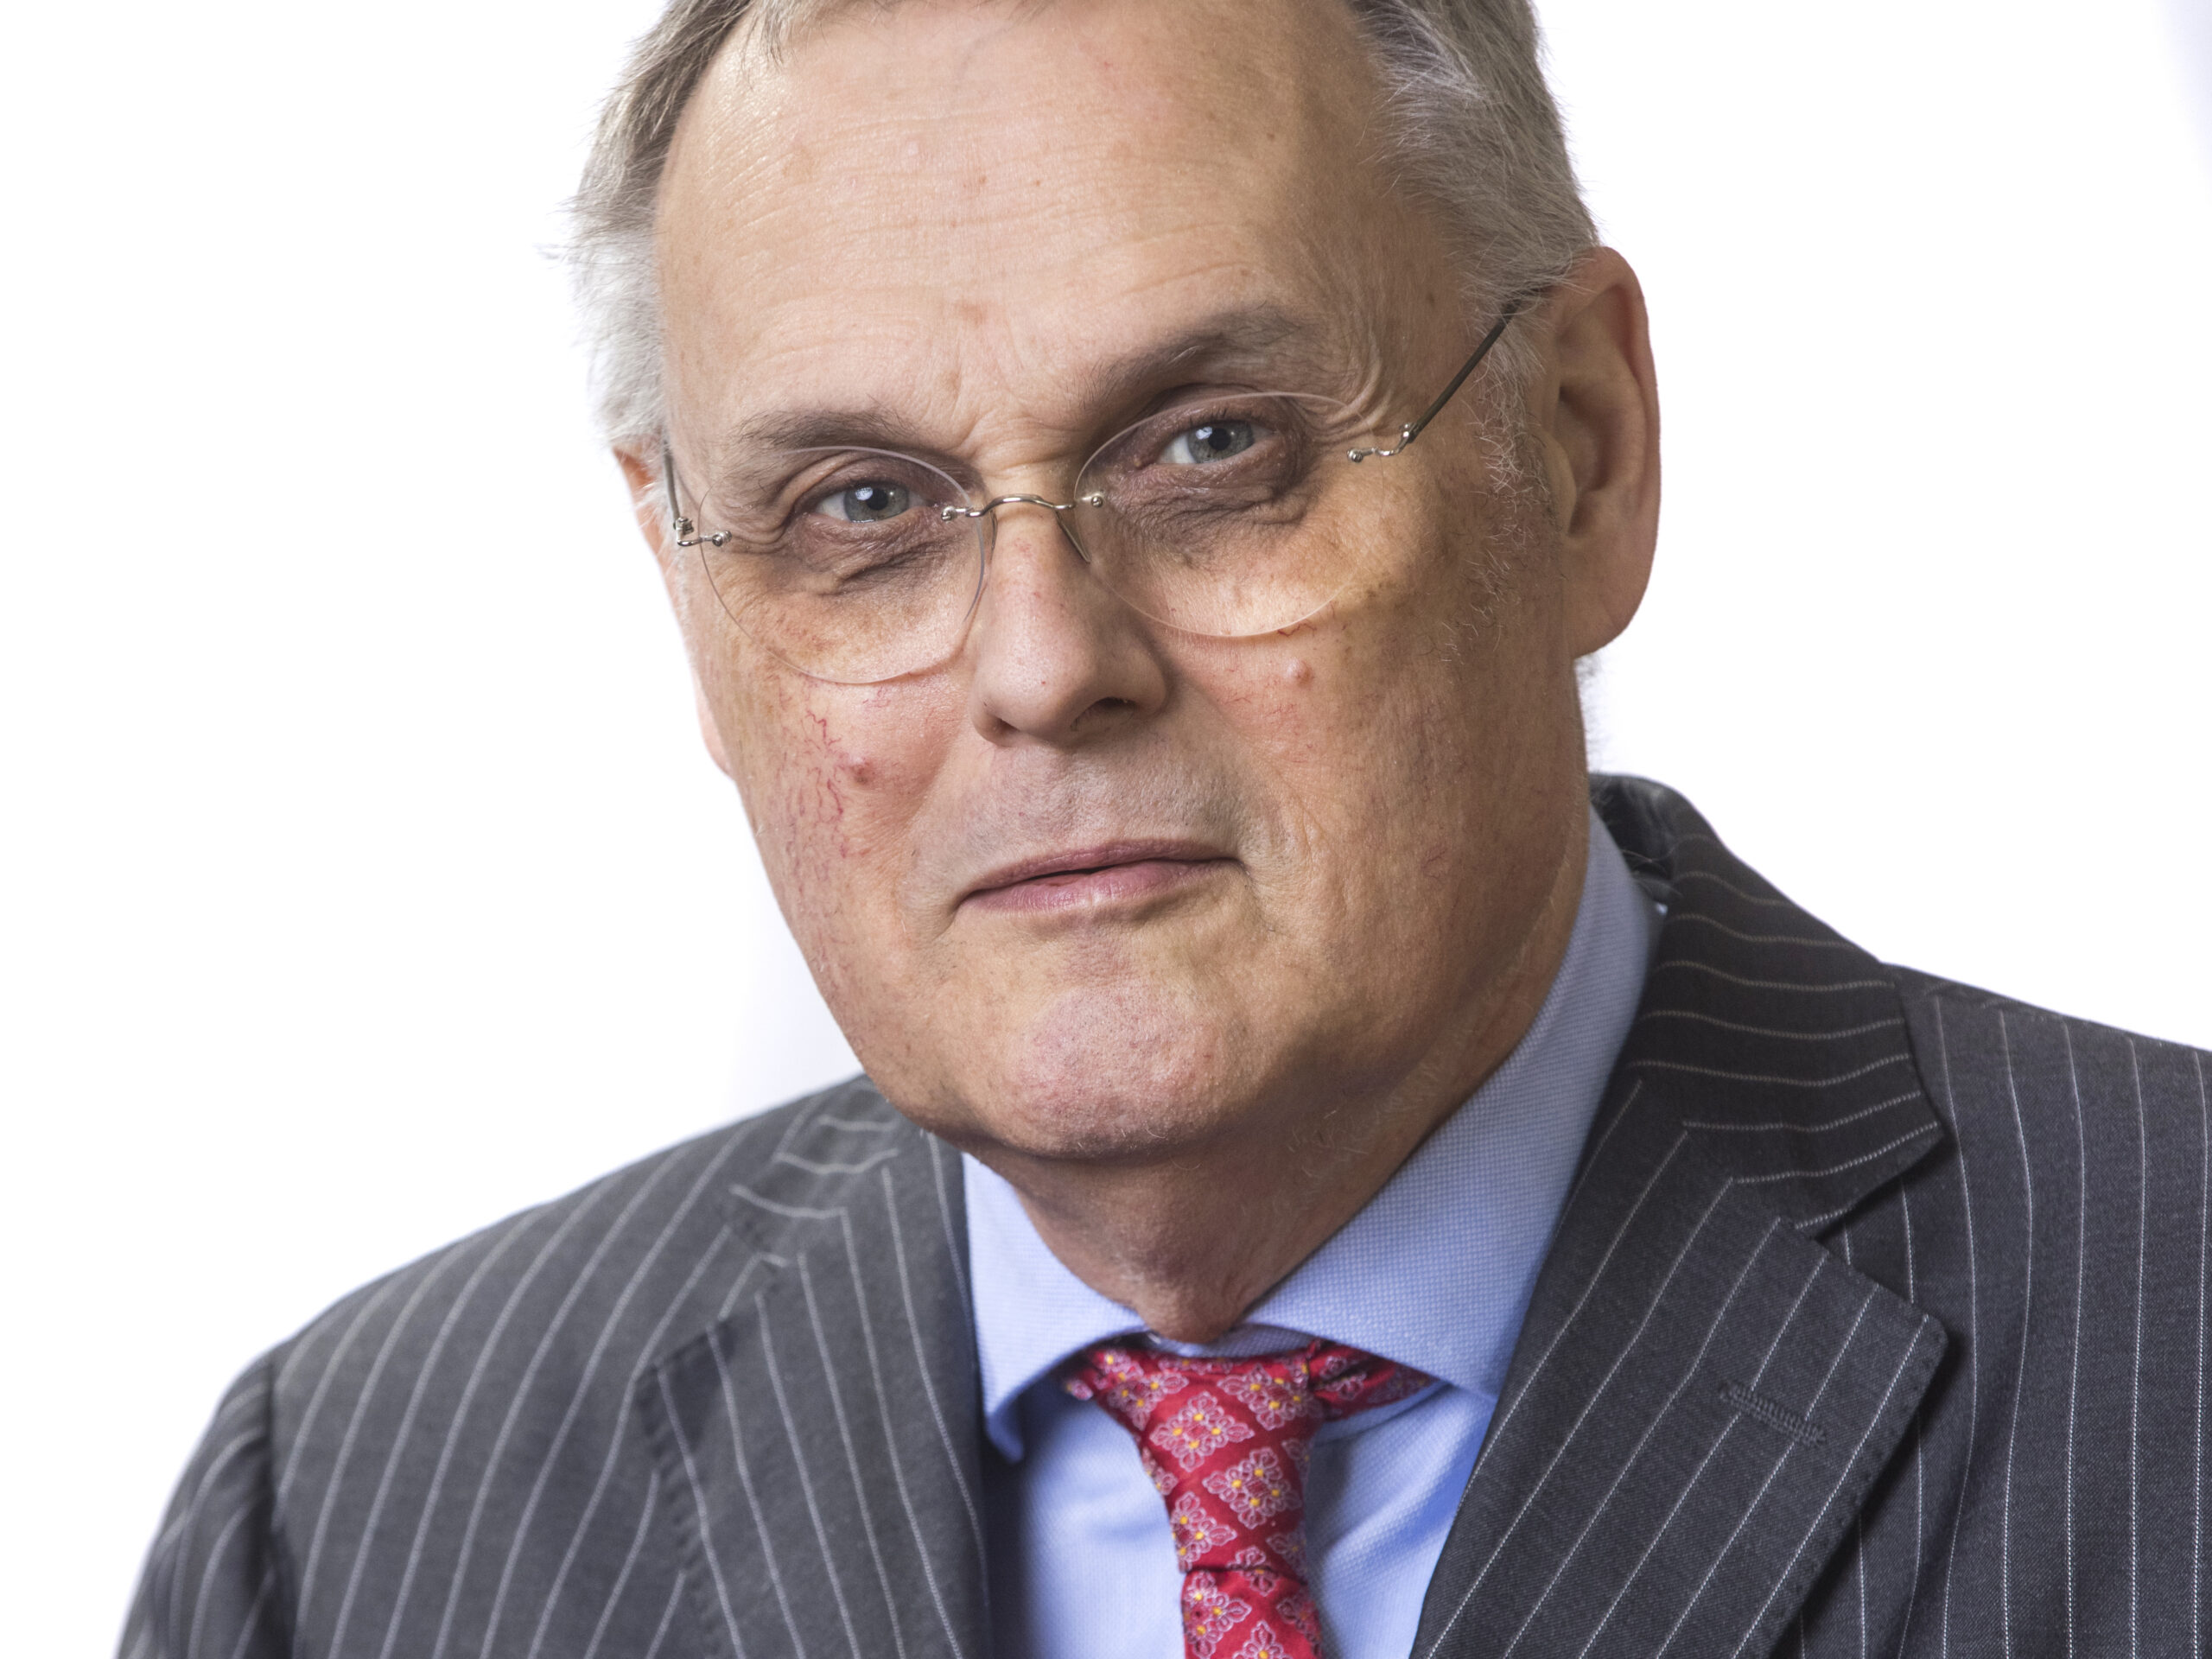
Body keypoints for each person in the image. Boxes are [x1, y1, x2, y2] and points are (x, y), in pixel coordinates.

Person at [124, 1, 2210, 1656]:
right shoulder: (354, 1524)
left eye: (1210, 447)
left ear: (1577, 452)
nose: (1043, 666)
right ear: (690, 600)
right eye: (862, 508)